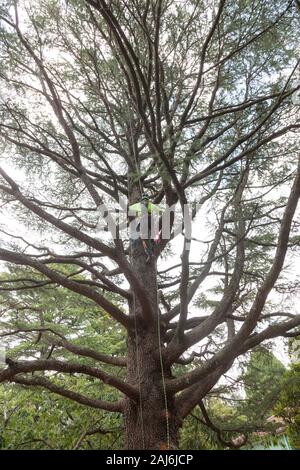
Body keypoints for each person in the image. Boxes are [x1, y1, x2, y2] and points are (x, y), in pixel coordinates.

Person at [129, 193, 162, 262]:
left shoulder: (140, 205)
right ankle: (151, 248)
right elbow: (159, 210)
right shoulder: (150, 204)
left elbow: (130, 208)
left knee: (138, 234)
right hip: (150, 221)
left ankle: (148, 252)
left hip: (144, 221)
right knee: (148, 236)